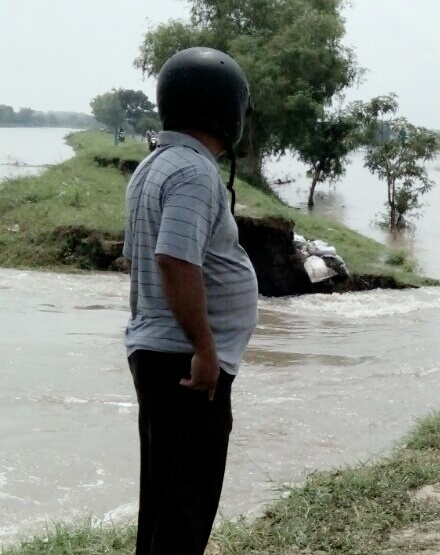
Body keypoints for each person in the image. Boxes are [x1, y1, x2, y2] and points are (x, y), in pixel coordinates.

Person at [122, 47, 258, 555]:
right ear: (226, 108)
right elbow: (175, 259)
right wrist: (204, 347)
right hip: (184, 362)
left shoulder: (155, 165)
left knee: (163, 497)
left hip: (159, 353)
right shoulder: (195, 174)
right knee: (186, 504)